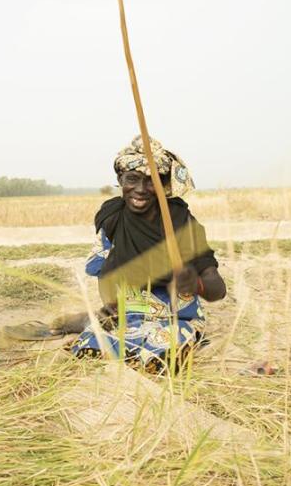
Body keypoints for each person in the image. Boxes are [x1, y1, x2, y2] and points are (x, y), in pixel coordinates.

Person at [70, 136, 227, 372]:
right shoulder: (112, 218)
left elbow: (218, 291)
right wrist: (110, 305)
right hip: (129, 316)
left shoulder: (181, 222)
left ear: (164, 185)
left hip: (176, 319)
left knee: (163, 351)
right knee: (90, 343)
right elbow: (103, 272)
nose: (141, 190)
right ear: (120, 179)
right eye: (132, 179)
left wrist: (196, 284)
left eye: (151, 181)